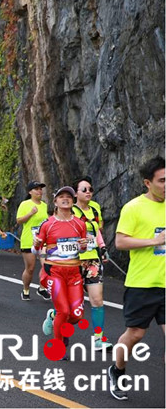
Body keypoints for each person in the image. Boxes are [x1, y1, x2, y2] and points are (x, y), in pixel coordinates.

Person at [107, 156, 165, 401]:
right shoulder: (133, 208)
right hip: (142, 284)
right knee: (135, 335)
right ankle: (117, 370)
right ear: (147, 183)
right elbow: (120, 242)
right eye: (162, 180)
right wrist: (153, 241)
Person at [35, 186, 87, 358]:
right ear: (55, 201)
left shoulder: (80, 224)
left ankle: (53, 316)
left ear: (73, 201)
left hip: (74, 273)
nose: (66, 199)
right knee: (64, 311)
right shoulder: (48, 225)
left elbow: (84, 248)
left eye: (69, 197)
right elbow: (37, 249)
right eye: (61, 196)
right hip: (55, 272)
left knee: (76, 316)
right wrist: (36, 245)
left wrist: (84, 246)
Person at [72, 176, 113, 352]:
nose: (88, 192)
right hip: (73, 261)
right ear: (75, 193)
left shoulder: (95, 209)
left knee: (97, 300)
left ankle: (98, 339)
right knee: (74, 306)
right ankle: (53, 316)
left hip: (92, 260)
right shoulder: (69, 210)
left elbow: (96, 232)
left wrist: (102, 248)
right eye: (84, 190)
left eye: (90, 189)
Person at [16, 181, 51, 300]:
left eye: (40, 189)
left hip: (43, 241)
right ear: (30, 192)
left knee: (47, 265)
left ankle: (41, 288)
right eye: (36, 189)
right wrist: (30, 213)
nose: (39, 191)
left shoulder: (44, 205)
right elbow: (19, 221)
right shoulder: (25, 204)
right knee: (30, 268)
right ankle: (25, 289)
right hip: (29, 240)